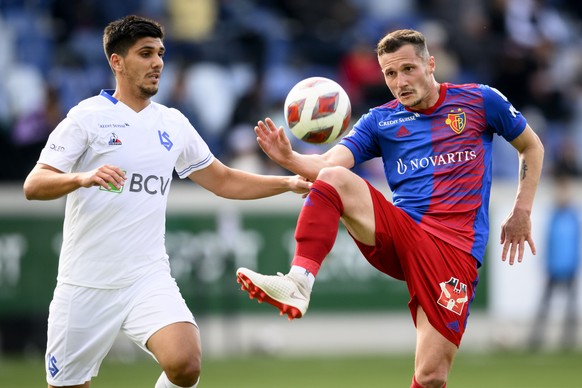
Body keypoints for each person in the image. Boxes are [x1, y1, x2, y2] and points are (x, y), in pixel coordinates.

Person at [236, 29, 544, 388]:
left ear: (431, 64)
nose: (400, 82)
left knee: (431, 377)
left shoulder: (480, 101)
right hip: (402, 233)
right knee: (335, 177)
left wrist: (522, 210)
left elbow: (532, 146)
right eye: (390, 74)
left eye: (408, 69)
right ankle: (298, 281)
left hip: (455, 251)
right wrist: (289, 158)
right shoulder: (380, 121)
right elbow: (328, 164)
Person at [23, 15, 310, 388]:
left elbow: (222, 180)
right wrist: (82, 177)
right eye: (146, 53)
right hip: (85, 283)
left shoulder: (173, 123)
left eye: (160, 53)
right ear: (117, 62)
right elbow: (34, 184)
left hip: (146, 276)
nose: (157, 62)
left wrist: (287, 183)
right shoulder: (86, 119)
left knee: (185, 363)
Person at [528, 171, 580, 351]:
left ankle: (568, 341)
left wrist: (575, 264)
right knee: (544, 307)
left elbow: (576, 244)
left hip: (570, 268)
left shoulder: (574, 217)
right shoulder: (553, 216)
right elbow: (548, 242)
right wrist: (545, 264)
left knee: (570, 308)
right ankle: (536, 339)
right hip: (553, 267)